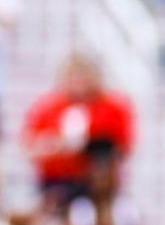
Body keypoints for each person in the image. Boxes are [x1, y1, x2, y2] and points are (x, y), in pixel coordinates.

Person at [22, 54, 135, 207]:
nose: (79, 83)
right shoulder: (47, 107)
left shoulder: (112, 107)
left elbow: (123, 147)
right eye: (73, 77)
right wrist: (55, 146)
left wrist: (89, 146)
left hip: (98, 186)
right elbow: (29, 147)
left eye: (83, 76)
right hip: (57, 183)